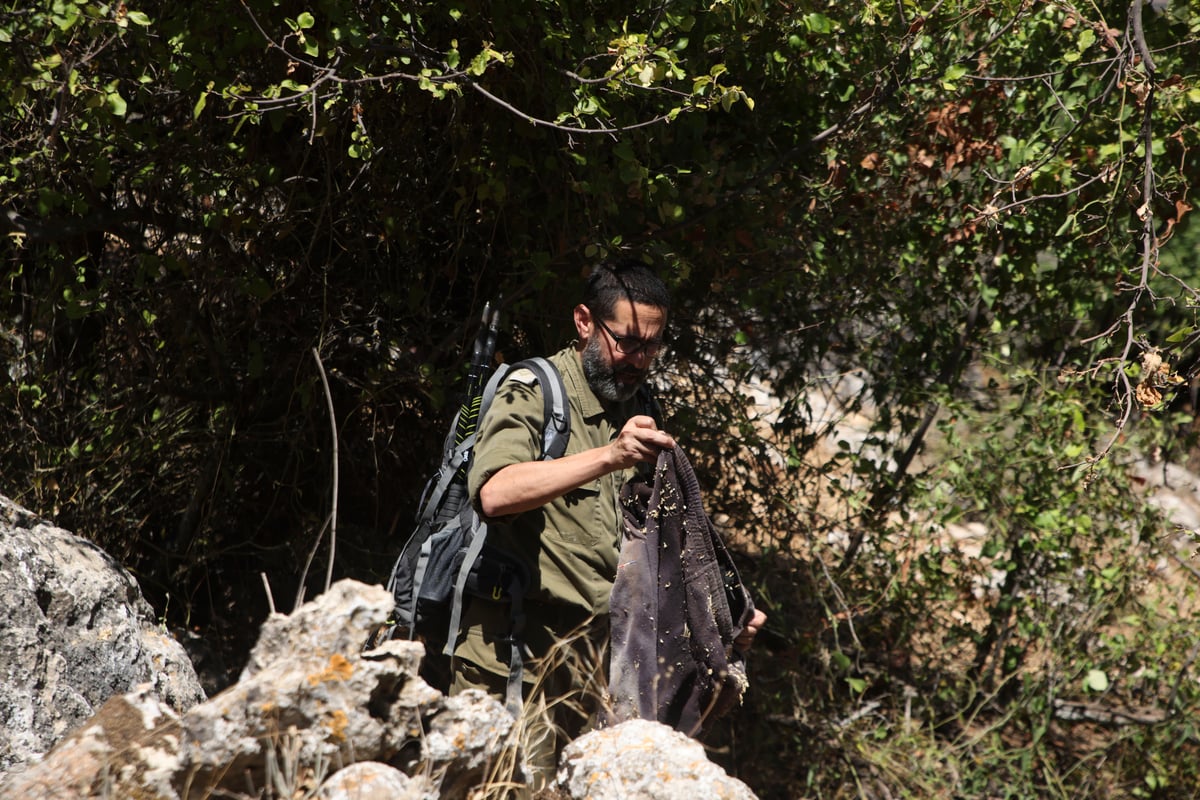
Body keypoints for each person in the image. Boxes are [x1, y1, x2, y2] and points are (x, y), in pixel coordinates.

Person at [451, 259, 766, 788]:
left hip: (597, 665)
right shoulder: (535, 389)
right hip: (513, 660)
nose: (638, 360)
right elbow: (496, 493)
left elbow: (660, 544)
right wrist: (609, 456)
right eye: (625, 341)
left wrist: (726, 612)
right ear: (583, 322)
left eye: (652, 346)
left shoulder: (641, 406)